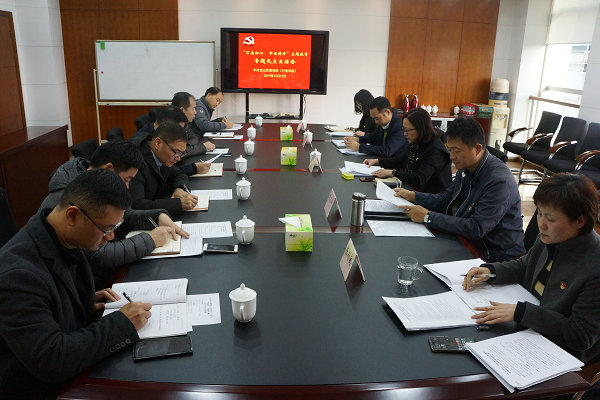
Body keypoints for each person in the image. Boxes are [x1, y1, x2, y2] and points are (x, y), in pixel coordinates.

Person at [0, 169, 152, 399]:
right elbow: (52, 360)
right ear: (72, 216)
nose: (111, 237)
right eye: (107, 228)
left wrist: (81, 303)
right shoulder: (17, 276)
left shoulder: (63, 238)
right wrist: (122, 324)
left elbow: (51, 297)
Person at [463, 173, 600, 363]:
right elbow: (525, 265)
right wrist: (491, 271)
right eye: (539, 213)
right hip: (529, 327)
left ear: (579, 221)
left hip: (557, 352)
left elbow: (581, 335)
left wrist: (522, 313)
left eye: (550, 219)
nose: (541, 224)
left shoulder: (594, 265)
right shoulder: (552, 237)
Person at [40, 139, 189, 283]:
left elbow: (124, 216)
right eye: (127, 179)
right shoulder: (74, 197)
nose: (127, 187)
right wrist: (150, 240)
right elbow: (96, 256)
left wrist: (157, 216)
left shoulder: (95, 182)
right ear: (109, 169)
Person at [396, 116, 524, 262]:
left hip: (494, 257)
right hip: (466, 241)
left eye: (456, 151)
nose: (451, 156)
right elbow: (446, 199)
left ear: (477, 149)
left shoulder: (499, 182)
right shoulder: (466, 168)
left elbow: (476, 228)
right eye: (449, 149)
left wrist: (428, 217)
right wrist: (414, 196)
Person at [364, 107, 451, 193]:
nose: (405, 134)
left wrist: (393, 173)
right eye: (404, 129)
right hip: (413, 190)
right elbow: (401, 161)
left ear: (420, 129)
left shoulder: (435, 150)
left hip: (431, 196)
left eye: (407, 130)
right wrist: (377, 161)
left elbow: (420, 178)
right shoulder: (417, 141)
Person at [129, 121, 198, 215]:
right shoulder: (136, 161)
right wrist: (178, 204)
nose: (178, 158)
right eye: (176, 152)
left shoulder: (162, 156)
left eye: (181, 153)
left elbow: (178, 173)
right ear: (158, 143)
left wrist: (179, 189)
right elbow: (137, 205)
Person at [133, 105, 211, 176]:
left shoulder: (159, 134)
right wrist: (192, 168)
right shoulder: (142, 145)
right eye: (177, 129)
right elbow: (162, 174)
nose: (180, 134)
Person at [343, 96, 408, 158]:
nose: (375, 122)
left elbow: (388, 150)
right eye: (373, 118)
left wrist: (359, 147)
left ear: (387, 112)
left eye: (376, 118)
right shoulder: (383, 123)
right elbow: (373, 137)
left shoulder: (399, 126)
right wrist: (358, 139)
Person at [171, 91, 216, 158]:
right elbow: (179, 153)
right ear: (182, 110)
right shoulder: (170, 127)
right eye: (193, 109)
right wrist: (203, 147)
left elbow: (195, 138)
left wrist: (188, 146)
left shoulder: (185, 124)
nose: (195, 112)